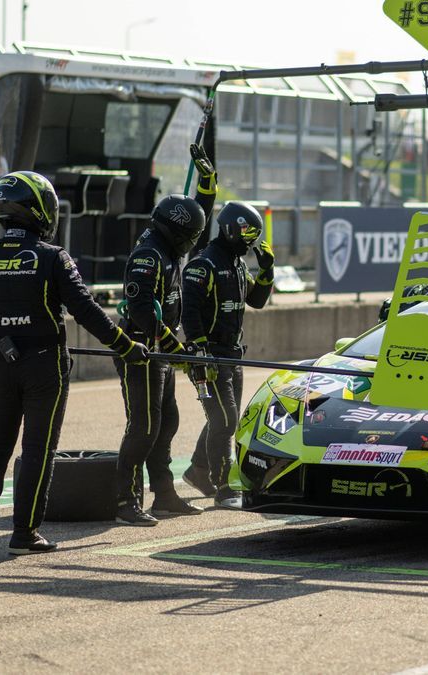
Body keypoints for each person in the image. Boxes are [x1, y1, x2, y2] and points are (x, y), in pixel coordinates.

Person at [0, 171, 148, 554]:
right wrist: (125, 345)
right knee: (37, 450)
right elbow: (86, 310)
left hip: (2, 362)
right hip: (45, 366)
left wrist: (3, 334)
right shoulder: (53, 258)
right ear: (39, 209)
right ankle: (24, 533)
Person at [114, 153, 213, 526]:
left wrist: (207, 186)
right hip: (140, 349)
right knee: (143, 426)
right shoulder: (149, 255)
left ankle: (164, 495)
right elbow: (140, 309)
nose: (193, 243)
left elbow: (195, 216)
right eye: (189, 237)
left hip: (161, 351)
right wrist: (174, 347)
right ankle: (124, 500)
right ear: (176, 232)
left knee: (166, 421)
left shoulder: (168, 244)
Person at [180, 194, 275, 509]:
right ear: (234, 230)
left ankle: (198, 470)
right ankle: (225, 488)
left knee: (221, 417)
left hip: (233, 355)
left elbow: (256, 300)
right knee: (225, 419)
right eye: (249, 235)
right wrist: (199, 351)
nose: (252, 243)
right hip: (209, 358)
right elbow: (189, 310)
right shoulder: (204, 264)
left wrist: (267, 272)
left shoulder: (236, 265)